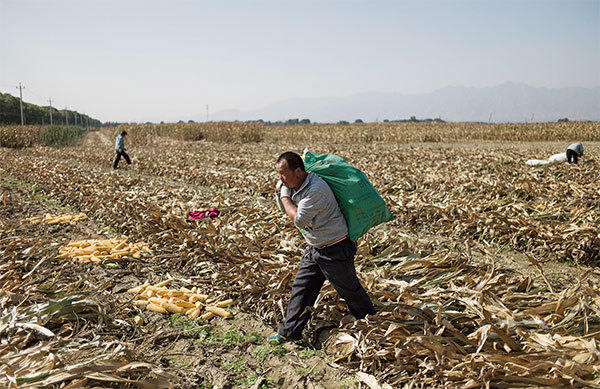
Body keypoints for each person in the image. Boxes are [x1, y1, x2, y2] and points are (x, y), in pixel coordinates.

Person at [269, 151, 375, 344]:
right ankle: (289, 332)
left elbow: (300, 219)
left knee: (350, 291)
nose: (281, 179)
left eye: (283, 174)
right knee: (302, 289)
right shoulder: (292, 184)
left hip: (335, 248)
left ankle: (373, 327)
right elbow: (284, 208)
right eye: (279, 174)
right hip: (315, 248)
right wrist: (281, 193)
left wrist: (285, 197)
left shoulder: (316, 189)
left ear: (299, 171)